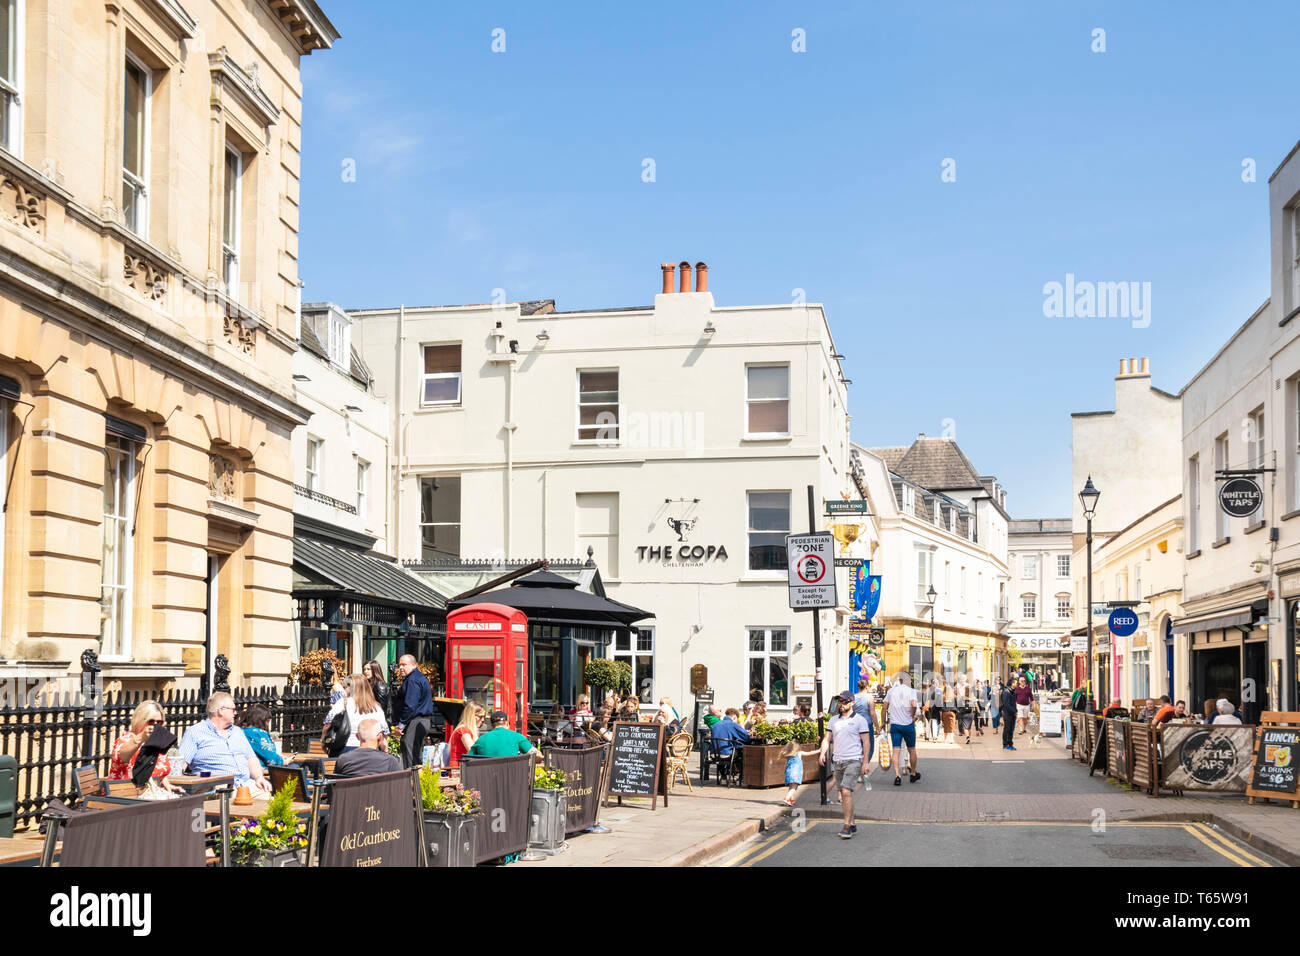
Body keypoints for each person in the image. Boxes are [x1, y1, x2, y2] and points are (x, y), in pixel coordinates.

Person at [177, 692, 272, 791]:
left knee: (272, 801)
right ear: (221, 710)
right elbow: (181, 764)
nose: (235, 713)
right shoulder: (195, 732)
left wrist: (259, 778)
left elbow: (251, 759)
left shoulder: (237, 732)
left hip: (246, 784)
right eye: (233, 710)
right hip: (217, 787)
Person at [819, 695, 872, 838]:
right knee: (844, 793)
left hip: (853, 760)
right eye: (839, 702)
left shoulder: (859, 720)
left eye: (844, 702)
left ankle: (847, 826)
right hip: (838, 761)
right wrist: (822, 753)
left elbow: (866, 742)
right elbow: (827, 738)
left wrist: (865, 762)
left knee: (846, 791)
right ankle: (853, 823)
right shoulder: (833, 720)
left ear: (852, 703)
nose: (841, 704)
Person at [108, 700, 181, 790]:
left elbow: (157, 770)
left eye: (159, 722)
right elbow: (120, 757)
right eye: (151, 721)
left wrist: (167, 784)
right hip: (125, 794)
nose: (155, 725)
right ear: (139, 720)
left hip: (151, 794)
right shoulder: (125, 739)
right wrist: (141, 737)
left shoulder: (156, 741)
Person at [324, 673, 389, 753]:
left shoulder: (342, 703)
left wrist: (323, 742)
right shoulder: (376, 707)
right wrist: (385, 750)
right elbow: (384, 732)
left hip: (344, 748)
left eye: (346, 687)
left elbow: (328, 724)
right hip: (370, 750)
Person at [394, 655, 434, 769]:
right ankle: (417, 782)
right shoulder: (417, 677)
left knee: (411, 755)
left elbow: (410, 705)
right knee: (416, 754)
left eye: (404, 665)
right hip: (421, 721)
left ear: (413, 665)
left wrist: (401, 725)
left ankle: (412, 783)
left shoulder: (413, 680)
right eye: (399, 665)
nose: (401, 667)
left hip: (416, 720)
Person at [885, 672, 921, 785]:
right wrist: (912, 715)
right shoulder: (911, 691)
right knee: (912, 750)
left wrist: (883, 721)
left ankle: (897, 776)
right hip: (908, 725)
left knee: (896, 751)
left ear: (900, 680)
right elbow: (914, 705)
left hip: (895, 725)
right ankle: (913, 774)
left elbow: (884, 707)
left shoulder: (891, 691)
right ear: (908, 681)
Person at [333, 719, 402, 777]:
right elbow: (399, 788)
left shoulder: (343, 760)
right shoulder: (389, 761)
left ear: (357, 736)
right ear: (380, 736)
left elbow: (334, 786)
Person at [469, 710, 538, 757]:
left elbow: (468, 758)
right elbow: (537, 755)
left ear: (491, 726)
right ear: (507, 724)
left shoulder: (481, 739)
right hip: (511, 777)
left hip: (487, 777)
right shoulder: (517, 737)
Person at [237, 704, 284, 769]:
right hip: (261, 770)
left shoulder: (240, 731)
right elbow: (271, 758)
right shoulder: (259, 733)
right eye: (267, 721)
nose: (267, 724)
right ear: (260, 720)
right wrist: (283, 761)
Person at [780, 738, 817, 807]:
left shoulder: (789, 755)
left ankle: (791, 799)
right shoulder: (799, 753)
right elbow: (810, 753)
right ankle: (786, 799)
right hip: (795, 773)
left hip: (788, 772)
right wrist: (819, 750)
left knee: (791, 786)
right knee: (794, 787)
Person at [448, 702, 484, 769]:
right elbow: (473, 751)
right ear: (472, 716)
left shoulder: (463, 729)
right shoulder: (464, 731)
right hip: (458, 769)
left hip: (460, 768)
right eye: (480, 717)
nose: (483, 720)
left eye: (483, 717)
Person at [1000, 679, 1018, 751]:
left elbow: (1013, 703)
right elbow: (1006, 704)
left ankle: (1010, 744)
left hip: (1012, 713)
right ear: (1012, 683)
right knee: (1007, 729)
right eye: (1016, 683)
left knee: (1011, 730)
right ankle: (1005, 745)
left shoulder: (1013, 692)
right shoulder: (1006, 692)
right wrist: (1014, 711)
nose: (1017, 684)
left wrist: (1015, 711)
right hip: (1007, 714)